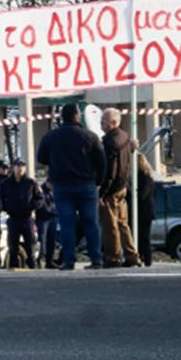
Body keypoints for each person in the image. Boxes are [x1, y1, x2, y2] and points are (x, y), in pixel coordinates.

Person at [36, 104, 106, 271]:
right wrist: (98, 182)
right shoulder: (90, 137)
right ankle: (96, 259)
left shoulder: (51, 137)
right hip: (86, 185)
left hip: (62, 186)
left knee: (67, 224)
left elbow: (41, 158)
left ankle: (68, 261)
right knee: (91, 223)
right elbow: (101, 162)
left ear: (62, 116)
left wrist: (56, 162)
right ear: (77, 116)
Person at [99, 108, 141, 268]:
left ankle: (113, 258)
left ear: (114, 123)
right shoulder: (125, 137)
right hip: (122, 186)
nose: (101, 122)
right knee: (123, 224)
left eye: (104, 120)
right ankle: (132, 255)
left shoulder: (111, 143)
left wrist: (102, 193)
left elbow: (110, 171)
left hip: (111, 189)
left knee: (110, 226)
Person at [0, 157, 40, 269]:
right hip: (13, 218)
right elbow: (1, 198)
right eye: (18, 166)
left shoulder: (30, 183)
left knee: (30, 245)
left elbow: (39, 198)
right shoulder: (6, 184)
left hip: (27, 218)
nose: (20, 169)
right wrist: (6, 207)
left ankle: (33, 266)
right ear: (13, 168)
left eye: (22, 166)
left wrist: (31, 207)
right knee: (13, 245)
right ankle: (14, 266)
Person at [134, 153, 154, 267]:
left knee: (144, 236)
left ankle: (147, 259)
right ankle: (141, 257)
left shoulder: (145, 177)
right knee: (141, 236)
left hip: (144, 211)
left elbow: (142, 194)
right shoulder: (147, 176)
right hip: (144, 211)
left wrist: (131, 194)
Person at [36, 179, 59, 269]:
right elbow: (43, 206)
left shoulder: (55, 191)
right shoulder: (41, 191)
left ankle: (49, 261)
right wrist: (54, 210)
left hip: (52, 218)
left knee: (51, 240)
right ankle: (40, 259)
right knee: (43, 240)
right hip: (43, 218)